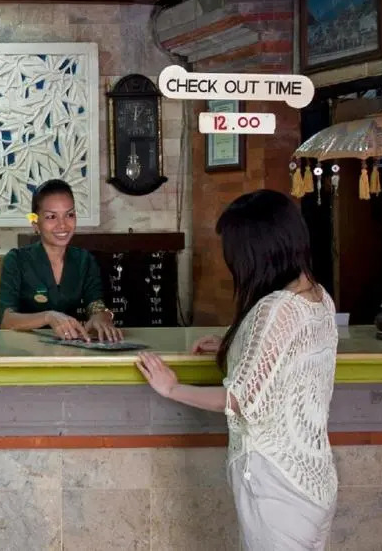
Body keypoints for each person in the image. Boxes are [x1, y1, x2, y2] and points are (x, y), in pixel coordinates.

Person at [135, 189, 338, 550]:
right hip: (314, 480)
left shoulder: (276, 308)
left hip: (275, 485)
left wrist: (171, 388)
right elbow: (287, 360)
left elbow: (241, 399)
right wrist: (238, 343)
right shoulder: (319, 297)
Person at [0, 178, 121, 342]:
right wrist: (48, 317)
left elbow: (95, 303)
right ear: (35, 223)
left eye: (69, 215)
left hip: (71, 347)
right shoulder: (16, 260)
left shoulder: (84, 260)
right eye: (51, 217)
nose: (63, 225)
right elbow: (6, 320)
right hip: (25, 349)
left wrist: (101, 316)